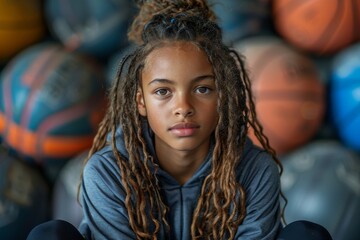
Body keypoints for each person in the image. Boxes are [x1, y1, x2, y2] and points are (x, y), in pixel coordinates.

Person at [27, 0, 333, 239]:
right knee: (50, 235)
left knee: (307, 235)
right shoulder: (107, 172)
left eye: (202, 88)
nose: (183, 107)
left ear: (222, 96)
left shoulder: (255, 171)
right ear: (140, 102)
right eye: (163, 91)